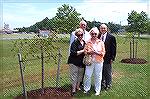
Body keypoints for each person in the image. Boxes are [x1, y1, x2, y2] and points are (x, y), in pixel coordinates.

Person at [83, 27, 105, 96]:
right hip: (90, 61)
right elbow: (85, 51)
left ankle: (97, 90)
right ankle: (86, 89)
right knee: (87, 75)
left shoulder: (101, 42)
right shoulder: (87, 42)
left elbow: (103, 53)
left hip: (99, 61)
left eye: (95, 34)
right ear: (90, 34)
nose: (94, 35)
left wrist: (96, 52)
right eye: (92, 33)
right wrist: (90, 52)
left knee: (98, 76)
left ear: (97, 34)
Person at [69, 20, 91, 87]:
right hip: (75, 56)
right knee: (75, 72)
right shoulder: (73, 33)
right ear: (79, 25)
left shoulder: (88, 34)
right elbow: (71, 45)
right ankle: (74, 86)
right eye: (82, 24)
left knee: (82, 72)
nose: (83, 26)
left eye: (84, 25)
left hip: (83, 57)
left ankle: (80, 84)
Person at [98, 24, 117, 91]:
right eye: (101, 28)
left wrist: (112, 58)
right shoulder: (98, 36)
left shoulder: (111, 37)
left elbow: (114, 49)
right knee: (101, 71)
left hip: (108, 58)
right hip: (99, 57)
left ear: (107, 29)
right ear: (99, 29)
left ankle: (108, 84)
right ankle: (102, 83)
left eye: (104, 28)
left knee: (108, 72)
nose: (103, 29)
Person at [67, 28, 86, 96]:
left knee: (80, 76)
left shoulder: (84, 42)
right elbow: (73, 53)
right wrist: (83, 51)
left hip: (81, 62)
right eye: (78, 35)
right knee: (74, 75)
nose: (80, 36)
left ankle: (78, 87)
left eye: (81, 35)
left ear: (83, 35)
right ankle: (73, 90)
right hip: (74, 62)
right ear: (76, 35)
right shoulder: (74, 43)